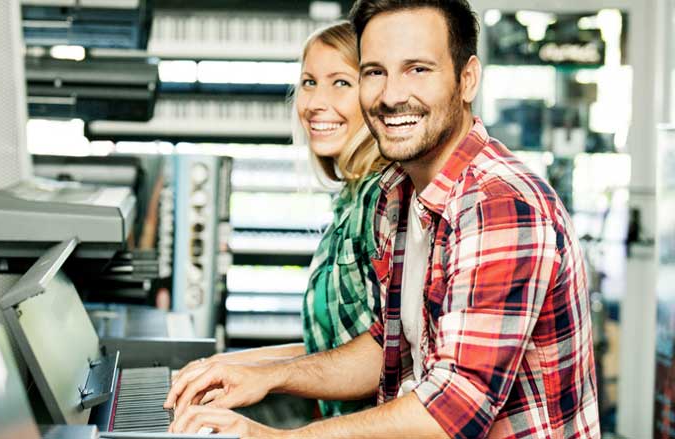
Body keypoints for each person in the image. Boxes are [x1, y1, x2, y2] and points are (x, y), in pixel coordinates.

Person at [163, 1, 600, 438]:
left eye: (417, 70)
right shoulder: (401, 194)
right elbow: (388, 350)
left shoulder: (498, 204)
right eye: (375, 71)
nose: (391, 95)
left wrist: (276, 437)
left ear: (466, 79)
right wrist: (265, 375)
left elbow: (453, 409)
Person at [173, 21, 389, 418]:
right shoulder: (352, 199)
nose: (314, 103)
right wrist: (229, 365)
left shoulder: (383, 199)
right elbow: (332, 349)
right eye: (309, 82)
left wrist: (267, 375)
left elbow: (384, 357)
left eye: (340, 82)